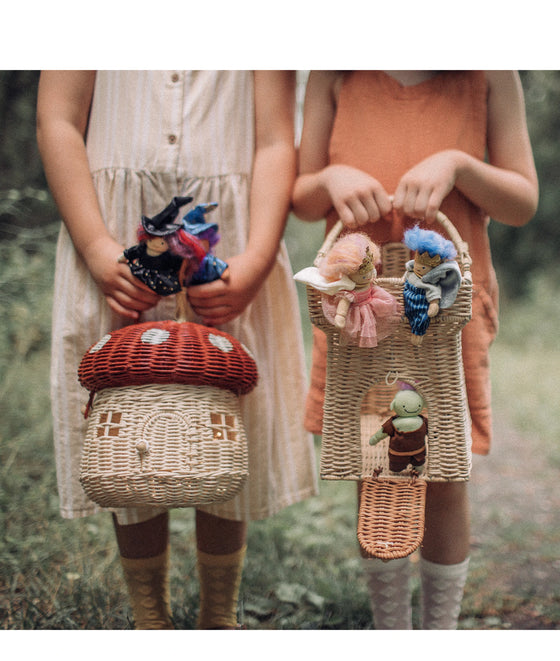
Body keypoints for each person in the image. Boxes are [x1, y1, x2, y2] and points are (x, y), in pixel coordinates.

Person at [37, 70, 318, 630]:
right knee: (129, 415)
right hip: (113, 229)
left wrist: (257, 259)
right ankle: (150, 618)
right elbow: (58, 119)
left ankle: (218, 617)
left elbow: (272, 141)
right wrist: (96, 246)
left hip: (229, 237)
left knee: (219, 414)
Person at [292, 70, 538, 629]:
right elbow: (303, 198)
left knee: (444, 471)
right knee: (377, 469)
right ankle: (392, 630)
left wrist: (459, 164)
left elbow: (524, 200)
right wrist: (331, 176)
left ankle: (439, 631)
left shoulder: (488, 74)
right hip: (361, 317)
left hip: (444, 312)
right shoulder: (339, 70)